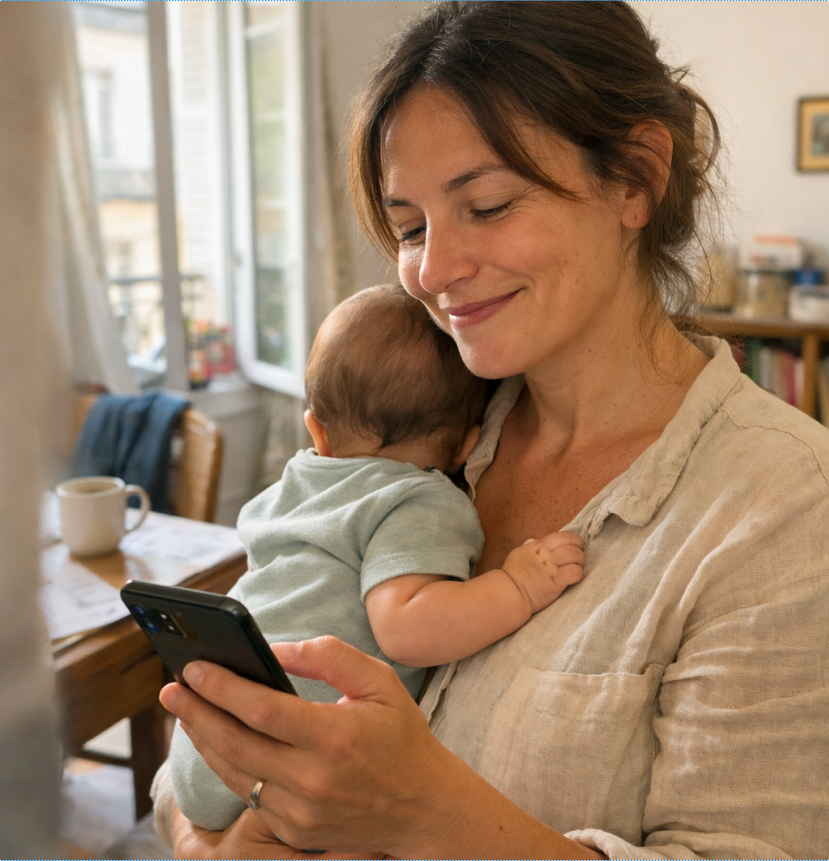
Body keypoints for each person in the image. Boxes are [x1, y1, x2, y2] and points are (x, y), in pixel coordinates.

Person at [154, 1, 829, 857]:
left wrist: (419, 811)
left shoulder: (784, 506)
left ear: (634, 177)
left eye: (489, 203)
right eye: (408, 227)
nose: (431, 270)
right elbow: (228, 700)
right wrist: (203, 836)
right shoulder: (411, 427)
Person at [167, 283, 585, 833]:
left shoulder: (292, 487)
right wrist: (519, 588)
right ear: (468, 445)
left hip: (202, 742)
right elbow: (408, 628)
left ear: (316, 429)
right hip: (285, 750)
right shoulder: (418, 497)